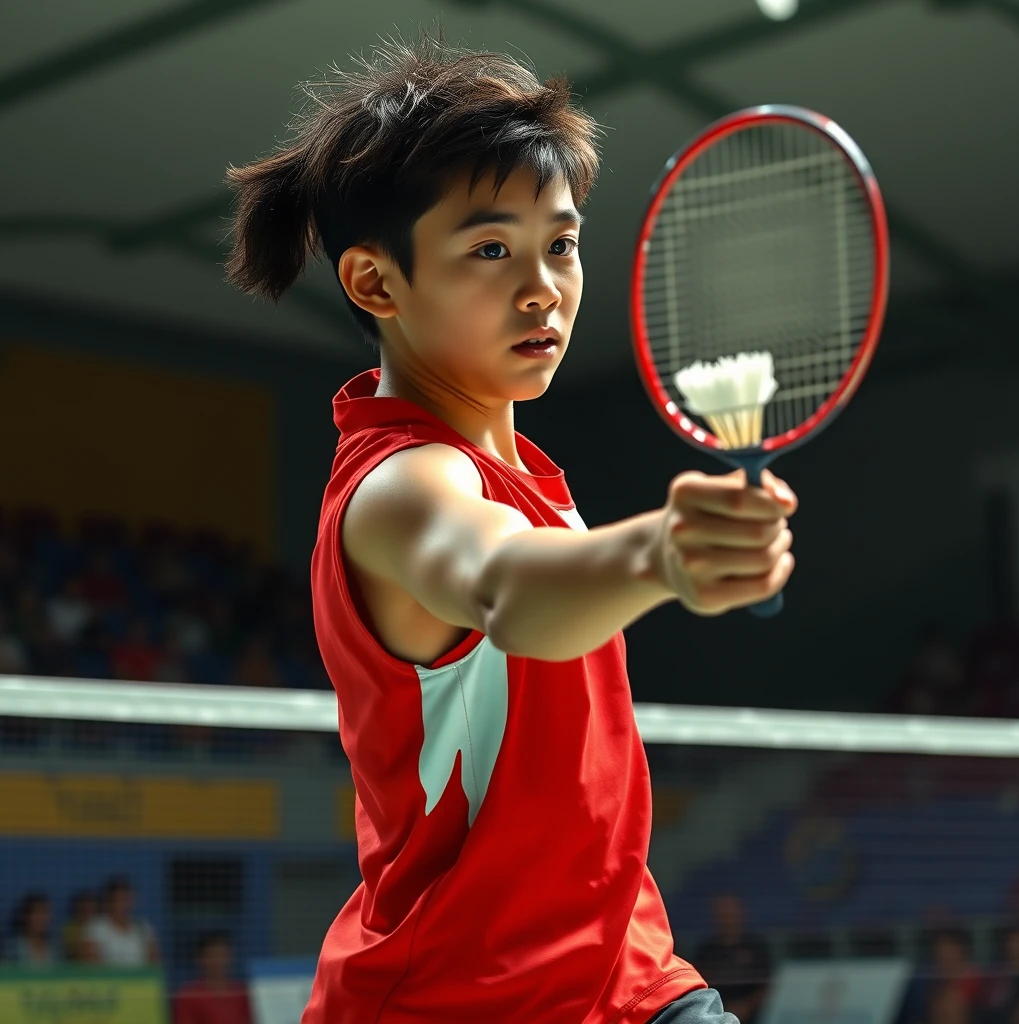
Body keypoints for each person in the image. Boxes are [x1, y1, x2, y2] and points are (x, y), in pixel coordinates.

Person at [224, 33, 796, 1024]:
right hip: (458, 999)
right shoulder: (400, 487)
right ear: (375, 283)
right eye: (490, 249)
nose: (542, 287)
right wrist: (658, 550)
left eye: (561, 244)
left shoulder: (523, 473)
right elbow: (506, 585)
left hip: (629, 979)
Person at [694, 895, 772, 1023]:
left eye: (730, 911)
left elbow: (768, 985)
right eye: (721, 912)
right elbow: (699, 986)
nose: (726, 916)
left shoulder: (757, 947)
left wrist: (746, 1007)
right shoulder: (706, 951)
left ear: (740, 913)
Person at [173, 931, 252, 1024]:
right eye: (212, 956)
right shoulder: (188, 995)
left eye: (222, 955)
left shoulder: (243, 993)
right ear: (200, 959)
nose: (218, 961)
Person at [85, 876, 160, 967]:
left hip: (139, 980)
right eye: (117, 900)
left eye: (125, 900)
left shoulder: (143, 928)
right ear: (108, 902)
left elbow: (154, 963)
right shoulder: (96, 927)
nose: (121, 905)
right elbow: (91, 964)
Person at [8, 892, 55, 966]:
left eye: (45, 913)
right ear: (25, 916)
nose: (41, 919)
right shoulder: (12, 948)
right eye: (37, 913)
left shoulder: (55, 947)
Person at [62, 890, 99, 963]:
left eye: (90, 908)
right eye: (84, 908)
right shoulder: (70, 928)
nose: (87, 911)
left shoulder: (99, 926)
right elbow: (73, 951)